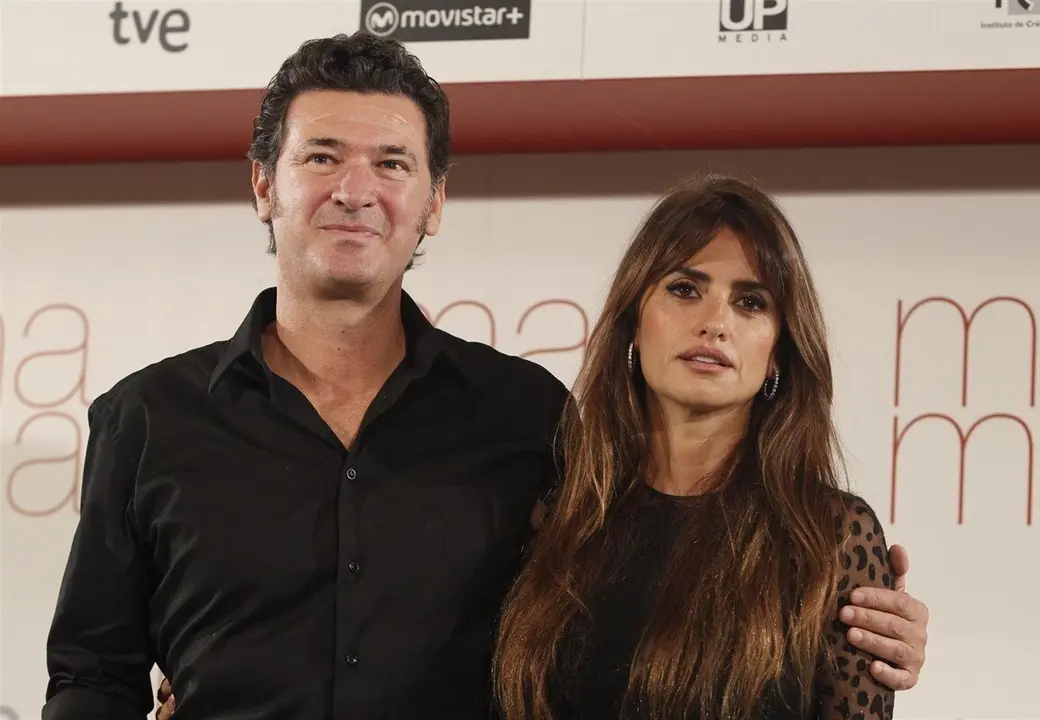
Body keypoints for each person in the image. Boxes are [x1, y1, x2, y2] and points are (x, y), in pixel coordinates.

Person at [43, 31, 928, 720]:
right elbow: (91, 674)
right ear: (263, 184)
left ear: (433, 202)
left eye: (392, 164)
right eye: (321, 156)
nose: (355, 190)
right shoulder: (147, 420)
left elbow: (656, 581)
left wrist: (845, 625)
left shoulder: (526, 418)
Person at [492, 175, 913, 720]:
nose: (714, 323)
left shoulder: (829, 539)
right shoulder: (557, 515)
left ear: (779, 351)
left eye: (750, 302)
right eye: (685, 289)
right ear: (634, 322)